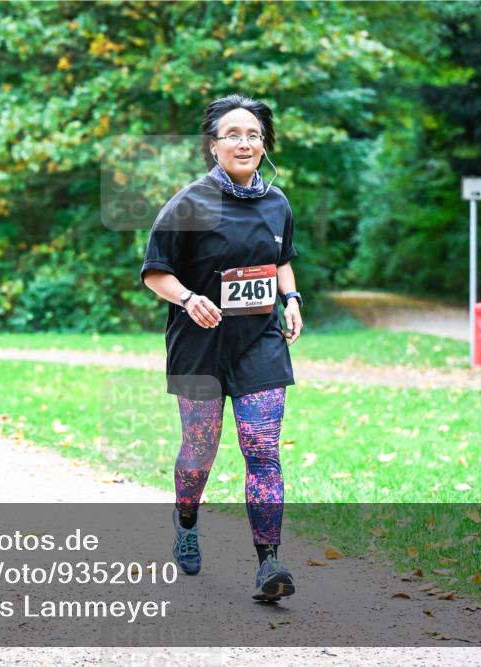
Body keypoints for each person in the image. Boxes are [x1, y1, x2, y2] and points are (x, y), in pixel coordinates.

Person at [140, 94, 304, 603]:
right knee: (200, 452)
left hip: (260, 342)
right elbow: (155, 273)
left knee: (262, 452)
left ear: (263, 145)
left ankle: (268, 564)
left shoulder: (277, 203)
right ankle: (186, 519)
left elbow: (280, 259)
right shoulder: (188, 204)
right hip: (199, 346)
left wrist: (292, 297)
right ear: (214, 146)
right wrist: (189, 299)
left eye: (253, 134)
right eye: (233, 134)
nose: (245, 142)